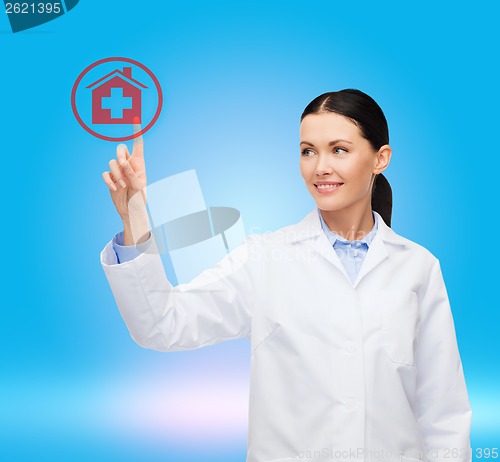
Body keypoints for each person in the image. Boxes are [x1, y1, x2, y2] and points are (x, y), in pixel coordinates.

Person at [100, 89, 472, 462]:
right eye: (308, 151)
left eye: (339, 149)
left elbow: (444, 414)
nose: (320, 166)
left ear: (381, 158)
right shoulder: (265, 259)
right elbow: (162, 324)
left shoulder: (417, 267)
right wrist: (135, 217)